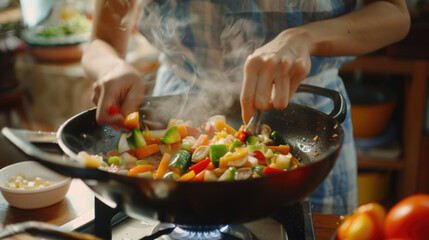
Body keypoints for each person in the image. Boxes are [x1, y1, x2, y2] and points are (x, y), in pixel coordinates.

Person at [81, 0, 410, 215]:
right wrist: (111, 68)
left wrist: (305, 37)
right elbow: (102, 40)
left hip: (311, 116)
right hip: (180, 114)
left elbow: (396, 14)